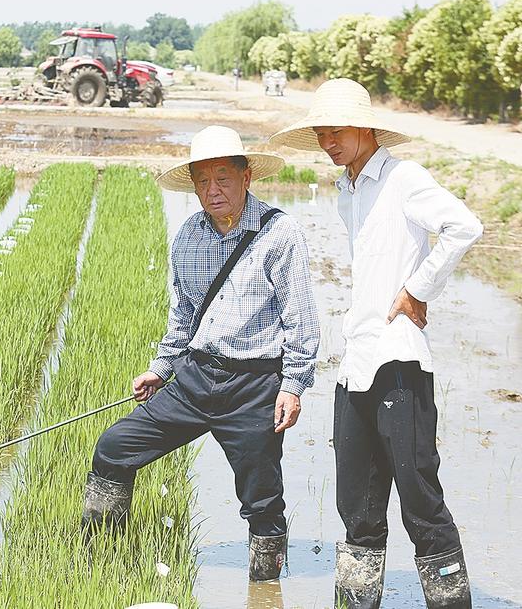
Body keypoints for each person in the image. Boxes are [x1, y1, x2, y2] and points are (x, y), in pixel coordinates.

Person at [272, 78, 482, 608]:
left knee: (419, 499)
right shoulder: (347, 189)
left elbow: (464, 227)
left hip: (400, 364)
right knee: (357, 508)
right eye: (320, 132)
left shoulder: (404, 177)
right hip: (356, 365)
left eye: (335, 130)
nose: (327, 141)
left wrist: (417, 288)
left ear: (365, 128)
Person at [83, 125, 321, 582]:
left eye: (223, 179)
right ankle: (100, 562)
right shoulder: (188, 236)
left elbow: (301, 319)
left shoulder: (279, 233)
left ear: (246, 176)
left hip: (255, 388)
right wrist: (160, 368)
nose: (213, 191)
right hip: (193, 380)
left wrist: (293, 386)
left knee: (262, 500)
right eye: (202, 181)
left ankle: (265, 588)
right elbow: (183, 316)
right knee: (114, 448)